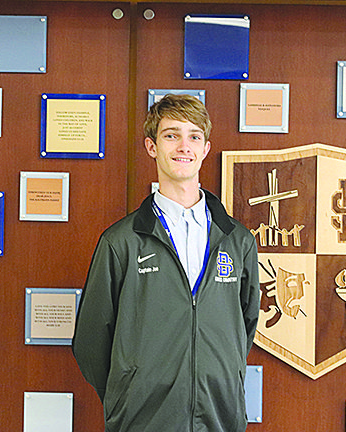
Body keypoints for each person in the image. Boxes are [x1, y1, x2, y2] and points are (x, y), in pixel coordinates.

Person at [72, 94, 260, 432]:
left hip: (219, 415)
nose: (184, 146)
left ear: (205, 148)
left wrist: (219, 372)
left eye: (194, 137)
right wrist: (128, 391)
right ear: (152, 147)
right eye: (171, 135)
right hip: (143, 419)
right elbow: (91, 339)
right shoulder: (121, 241)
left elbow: (245, 326)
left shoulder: (238, 241)